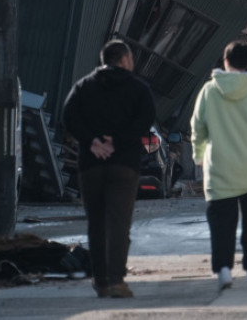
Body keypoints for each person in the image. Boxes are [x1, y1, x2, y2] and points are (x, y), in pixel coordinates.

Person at [63, 39, 156, 299]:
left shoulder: (83, 86)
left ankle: (101, 281)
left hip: (91, 165)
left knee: (96, 223)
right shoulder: (138, 88)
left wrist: (93, 141)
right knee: (118, 224)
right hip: (124, 165)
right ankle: (116, 281)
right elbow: (145, 120)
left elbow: (69, 117)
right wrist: (117, 142)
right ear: (124, 59)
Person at [191, 41, 247, 290]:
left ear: (225, 61)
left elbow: (198, 128)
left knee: (221, 223)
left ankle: (224, 271)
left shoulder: (209, 91)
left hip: (219, 169)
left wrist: (198, 156)